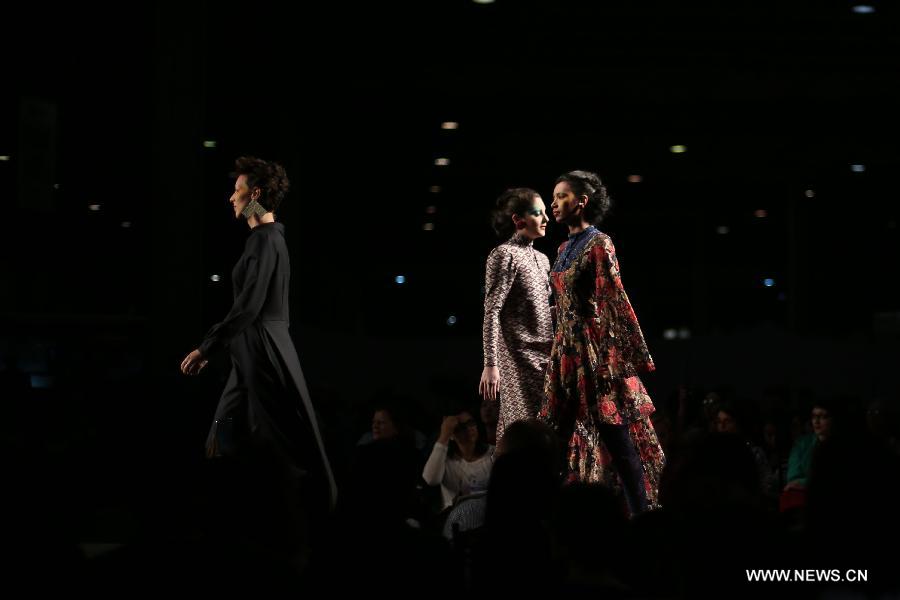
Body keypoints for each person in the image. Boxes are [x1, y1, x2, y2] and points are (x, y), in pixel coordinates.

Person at [180, 156, 337, 519]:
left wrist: (207, 348)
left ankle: (295, 520)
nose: (231, 198)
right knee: (225, 429)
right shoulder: (264, 240)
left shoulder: (265, 240)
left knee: (276, 440)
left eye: (237, 191)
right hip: (251, 350)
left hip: (261, 348)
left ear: (256, 194)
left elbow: (250, 305)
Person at [539, 170, 664, 516]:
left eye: (562, 196)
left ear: (582, 201)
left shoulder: (600, 243)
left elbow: (612, 299)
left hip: (593, 353)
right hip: (564, 353)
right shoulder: (563, 247)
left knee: (618, 439)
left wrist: (617, 360)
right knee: (555, 440)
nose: (554, 204)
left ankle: (641, 515)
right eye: (553, 197)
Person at [479, 188, 553, 443]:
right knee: (524, 430)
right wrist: (491, 364)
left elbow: (541, 309)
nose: (546, 219)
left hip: (546, 355)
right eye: (538, 213)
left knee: (546, 428)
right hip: (517, 357)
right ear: (518, 219)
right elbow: (492, 310)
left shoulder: (543, 260)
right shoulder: (503, 255)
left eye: (545, 213)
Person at [422, 409, 495, 510]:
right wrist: (444, 435)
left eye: (471, 423)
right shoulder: (445, 460)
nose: (468, 428)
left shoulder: (493, 453)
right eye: (460, 427)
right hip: (456, 519)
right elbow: (430, 479)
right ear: (451, 434)